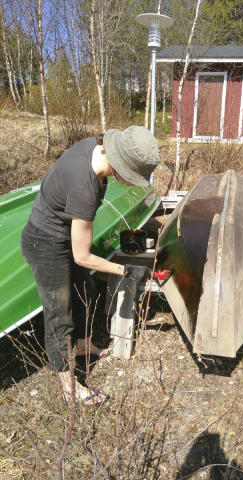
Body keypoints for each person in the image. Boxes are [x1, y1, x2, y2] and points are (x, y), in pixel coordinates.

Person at [20, 126, 160, 406]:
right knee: (60, 315)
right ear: (121, 165)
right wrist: (125, 270)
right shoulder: (84, 186)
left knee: (85, 286)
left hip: (62, 233)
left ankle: (83, 345)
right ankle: (68, 385)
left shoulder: (95, 147)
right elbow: (82, 256)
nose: (132, 182)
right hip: (45, 242)